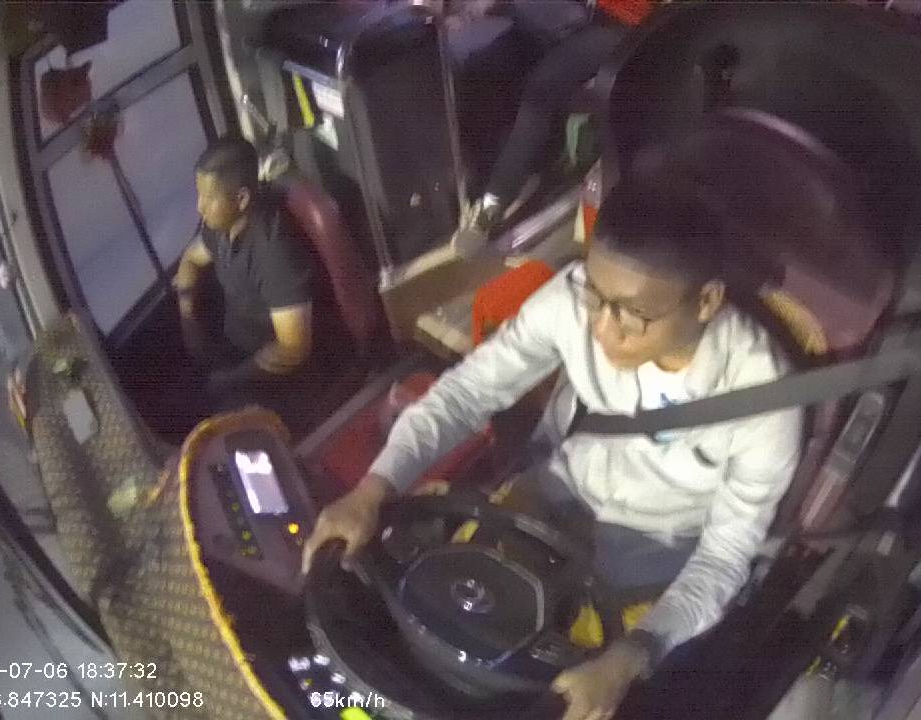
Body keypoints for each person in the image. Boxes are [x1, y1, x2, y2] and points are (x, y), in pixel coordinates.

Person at [303, 182, 803, 720]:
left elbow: (724, 557)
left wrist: (632, 655)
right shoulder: (572, 300)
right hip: (548, 497)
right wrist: (374, 488)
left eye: (633, 315)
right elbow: (467, 393)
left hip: (649, 565)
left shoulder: (763, 401)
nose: (603, 330)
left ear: (706, 301)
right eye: (596, 296)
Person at [452, 0, 657, 253]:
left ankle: (492, 204)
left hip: (618, 23)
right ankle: (487, 172)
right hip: (564, 18)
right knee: (480, 66)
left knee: (540, 94)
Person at [174, 137, 317, 416]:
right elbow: (190, 260)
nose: (199, 207)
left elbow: (293, 349)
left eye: (208, 198)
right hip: (231, 351)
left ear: (241, 199)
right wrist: (189, 325)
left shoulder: (275, 253)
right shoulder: (220, 227)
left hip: (276, 382)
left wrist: (230, 380)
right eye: (199, 195)